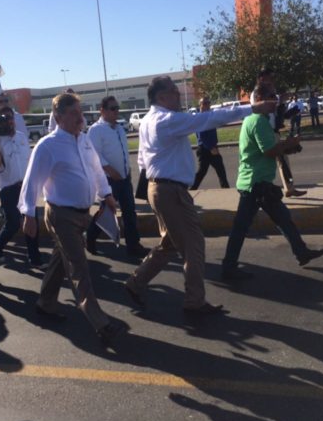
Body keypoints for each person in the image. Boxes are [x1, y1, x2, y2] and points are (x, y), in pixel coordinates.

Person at [124, 76, 271, 315]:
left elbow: (142, 159)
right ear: (162, 97)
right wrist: (251, 109)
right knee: (194, 245)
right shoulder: (166, 120)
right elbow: (208, 118)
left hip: (159, 189)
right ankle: (194, 302)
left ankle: (136, 283)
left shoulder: (148, 121)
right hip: (170, 191)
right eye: (174, 92)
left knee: (171, 243)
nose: (179, 95)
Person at [19, 93, 125, 343]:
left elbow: (97, 171)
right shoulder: (48, 145)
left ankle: (45, 303)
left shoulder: (85, 141)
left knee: (61, 259)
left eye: (81, 111)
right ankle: (100, 323)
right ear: (59, 117)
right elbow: (31, 181)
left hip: (82, 215)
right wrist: (28, 213)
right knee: (79, 267)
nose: (81, 117)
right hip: (61, 215)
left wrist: (106, 194)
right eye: (74, 113)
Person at [221, 83, 323, 281]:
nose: (276, 100)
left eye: (276, 96)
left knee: (283, 219)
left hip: (259, 183)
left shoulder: (256, 120)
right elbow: (268, 151)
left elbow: (269, 148)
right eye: (271, 96)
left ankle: (301, 252)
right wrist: (289, 144)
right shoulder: (258, 121)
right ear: (259, 97)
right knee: (241, 228)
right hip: (254, 184)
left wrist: (287, 147)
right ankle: (228, 266)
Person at [86, 96, 148, 257]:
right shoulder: (96, 130)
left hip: (124, 178)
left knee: (129, 212)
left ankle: (133, 245)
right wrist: (109, 169)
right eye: (113, 108)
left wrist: (126, 169)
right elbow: (94, 155)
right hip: (109, 179)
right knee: (106, 211)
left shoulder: (120, 128)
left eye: (117, 108)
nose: (116, 111)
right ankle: (90, 237)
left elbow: (123, 152)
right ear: (103, 110)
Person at [0, 106, 46, 268]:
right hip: (7, 188)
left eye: (10, 118)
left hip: (25, 185)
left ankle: (35, 258)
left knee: (32, 221)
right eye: (4, 119)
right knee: (13, 224)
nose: (8, 122)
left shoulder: (21, 137)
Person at [250, 70, 306, 198]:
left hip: (272, 130)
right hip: (265, 130)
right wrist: (279, 101)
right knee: (273, 159)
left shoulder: (271, 92)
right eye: (267, 78)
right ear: (260, 79)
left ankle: (289, 188)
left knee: (283, 160)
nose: (270, 81)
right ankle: (267, 189)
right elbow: (257, 108)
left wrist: (283, 106)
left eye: (271, 78)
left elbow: (276, 112)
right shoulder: (257, 93)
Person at [190, 96, 230, 190]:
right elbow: (201, 136)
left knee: (221, 171)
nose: (207, 105)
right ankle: (191, 190)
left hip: (212, 147)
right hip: (205, 149)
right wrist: (212, 148)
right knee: (202, 172)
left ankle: (226, 190)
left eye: (208, 103)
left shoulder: (209, 116)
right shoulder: (200, 118)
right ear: (200, 105)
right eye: (205, 103)